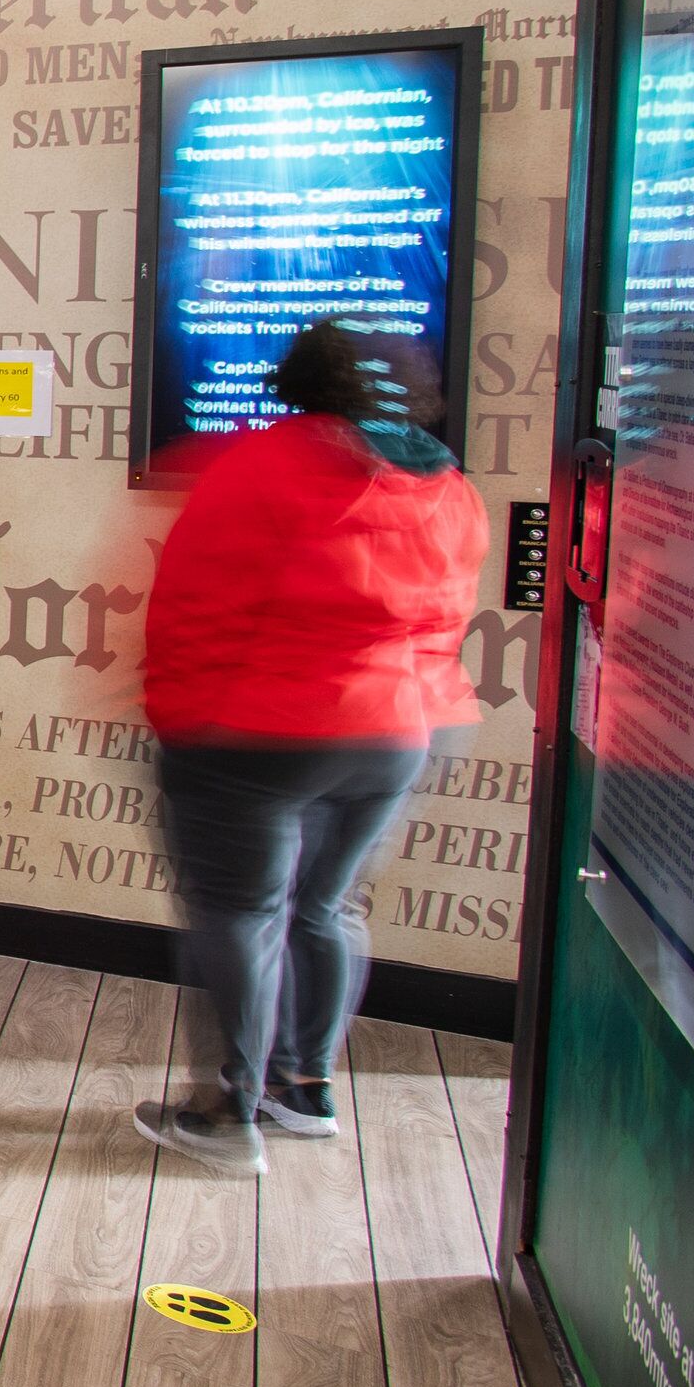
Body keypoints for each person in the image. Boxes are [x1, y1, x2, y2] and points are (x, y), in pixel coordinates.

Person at [132, 319, 485, 1175]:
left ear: (298, 379)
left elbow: (190, 609)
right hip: (396, 733)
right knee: (326, 910)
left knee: (240, 916)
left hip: (254, 734)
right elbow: (444, 621)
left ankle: (225, 1116)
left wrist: (176, 716)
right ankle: (305, 1089)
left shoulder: (252, 466)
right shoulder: (448, 487)